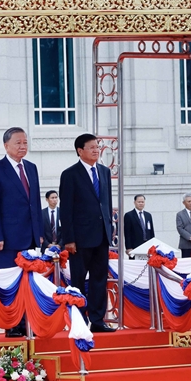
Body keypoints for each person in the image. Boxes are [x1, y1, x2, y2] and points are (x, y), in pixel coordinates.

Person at [0, 127, 43, 337]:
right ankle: (12, 325)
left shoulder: (32, 168)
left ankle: (29, 323)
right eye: (18, 143)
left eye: (25, 142)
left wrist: (40, 233)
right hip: (7, 240)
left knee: (29, 283)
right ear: (6, 145)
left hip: (30, 238)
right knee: (10, 284)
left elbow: (34, 203)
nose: (22, 146)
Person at [59, 133, 115, 333]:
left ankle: (98, 321)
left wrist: (110, 230)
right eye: (91, 147)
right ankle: (79, 320)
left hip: (102, 236)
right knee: (79, 281)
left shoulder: (104, 172)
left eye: (97, 146)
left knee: (100, 279)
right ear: (80, 151)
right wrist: (69, 239)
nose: (96, 150)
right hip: (80, 239)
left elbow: (106, 204)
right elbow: (66, 210)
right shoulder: (70, 174)